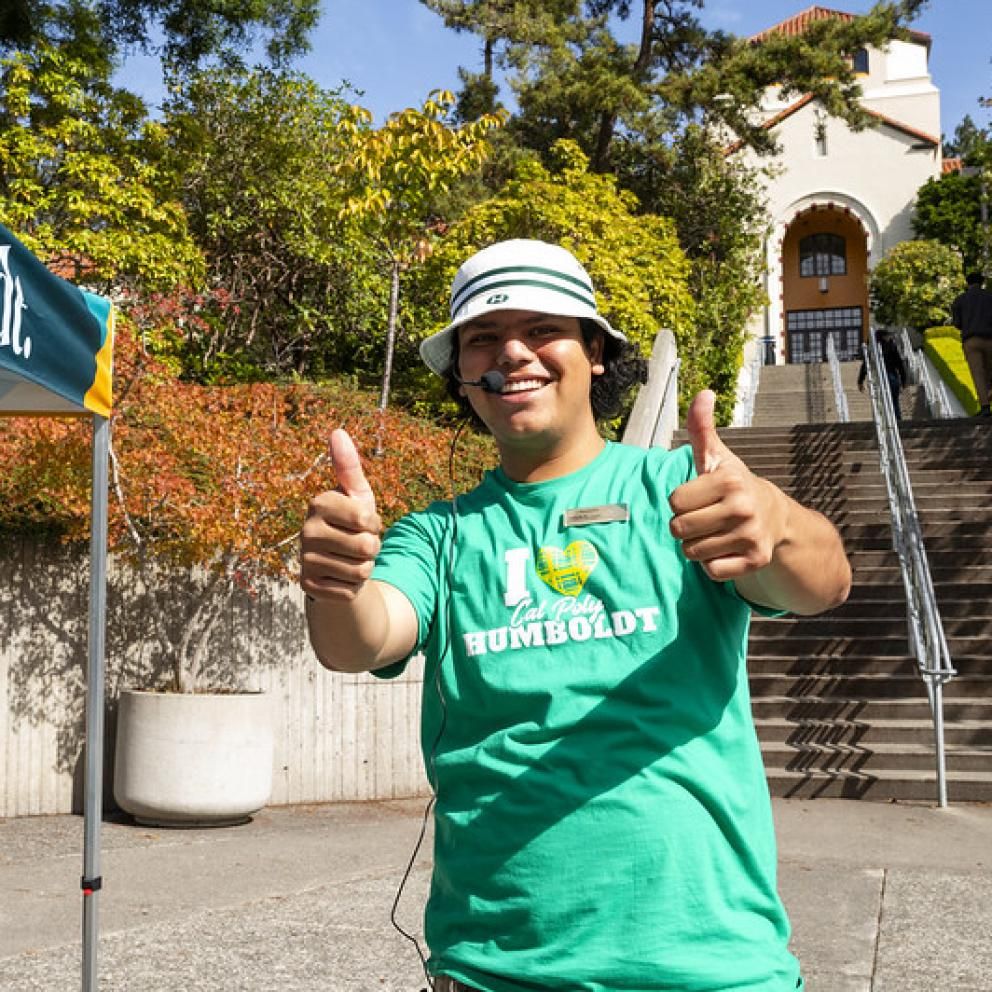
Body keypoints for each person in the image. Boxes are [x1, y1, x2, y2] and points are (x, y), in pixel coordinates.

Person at [301, 239, 851, 992]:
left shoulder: (684, 492)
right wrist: (337, 584)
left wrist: (778, 520)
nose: (513, 353)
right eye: (484, 339)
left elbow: (824, 582)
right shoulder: (439, 533)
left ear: (595, 351)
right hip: (498, 968)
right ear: (461, 374)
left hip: (710, 964)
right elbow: (362, 638)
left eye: (542, 329)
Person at [951, 271, 992, 417]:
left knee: (978, 374)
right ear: (982, 282)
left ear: (967, 283)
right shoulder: (989, 297)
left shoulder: (960, 300)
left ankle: (985, 407)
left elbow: (957, 323)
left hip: (971, 340)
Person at [857, 327, 908, 420]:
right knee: (894, 401)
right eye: (887, 336)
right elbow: (900, 364)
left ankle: (889, 420)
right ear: (882, 337)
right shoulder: (891, 346)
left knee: (885, 401)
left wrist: (860, 381)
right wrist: (904, 380)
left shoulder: (872, 349)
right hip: (892, 377)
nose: (889, 338)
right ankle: (897, 420)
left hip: (882, 378)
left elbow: (865, 366)